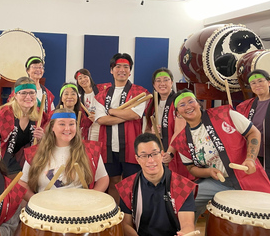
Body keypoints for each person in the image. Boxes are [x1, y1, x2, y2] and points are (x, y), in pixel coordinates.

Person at [171, 89, 270, 219]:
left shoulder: (225, 114)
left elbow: (254, 133)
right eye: (182, 105)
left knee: (265, 215)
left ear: (198, 103)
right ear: (177, 113)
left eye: (191, 101)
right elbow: (191, 168)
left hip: (246, 176)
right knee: (187, 200)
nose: (188, 106)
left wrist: (251, 159)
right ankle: (187, 231)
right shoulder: (181, 140)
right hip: (218, 182)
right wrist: (208, 172)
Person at [116, 133, 196, 236]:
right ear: (137, 159)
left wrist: (184, 233)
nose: (151, 160)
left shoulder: (182, 185)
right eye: (144, 156)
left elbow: (187, 224)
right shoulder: (127, 187)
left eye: (154, 154)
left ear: (162, 154)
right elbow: (126, 225)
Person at [19, 108, 108, 201]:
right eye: (62, 124)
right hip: (47, 209)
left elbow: (103, 178)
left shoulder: (90, 149)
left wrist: (92, 199)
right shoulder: (34, 152)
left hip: (80, 208)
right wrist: (36, 202)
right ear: (52, 127)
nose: (67, 128)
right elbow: (22, 183)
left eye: (71, 124)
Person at [95, 53, 149, 203]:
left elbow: (135, 115)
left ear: (130, 71)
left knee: (132, 183)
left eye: (126, 66)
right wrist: (124, 114)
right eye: (117, 66)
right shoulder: (102, 95)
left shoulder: (139, 92)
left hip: (131, 146)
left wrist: (111, 111)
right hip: (108, 146)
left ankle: (130, 215)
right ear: (111, 70)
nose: (122, 70)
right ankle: (115, 213)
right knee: (113, 182)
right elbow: (100, 120)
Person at [0, 77, 46, 177]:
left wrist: (43, 138)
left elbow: (48, 141)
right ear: (15, 95)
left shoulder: (40, 115)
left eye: (32, 93)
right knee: (21, 184)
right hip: (2, 160)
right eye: (24, 93)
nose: (28, 96)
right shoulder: (2, 115)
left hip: (28, 161)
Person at [144, 68, 193, 180]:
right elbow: (146, 131)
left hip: (175, 152)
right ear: (154, 85)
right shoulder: (152, 104)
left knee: (176, 183)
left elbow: (179, 131)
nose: (162, 83)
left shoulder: (178, 102)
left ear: (171, 82)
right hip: (158, 151)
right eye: (158, 81)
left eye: (166, 80)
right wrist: (152, 131)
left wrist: (170, 153)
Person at [74, 68, 110, 141]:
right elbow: (82, 121)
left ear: (89, 77)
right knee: (93, 150)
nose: (83, 80)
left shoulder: (102, 89)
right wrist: (88, 120)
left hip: (105, 124)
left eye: (85, 76)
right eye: (80, 78)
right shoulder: (80, 100)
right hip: (93, 128)